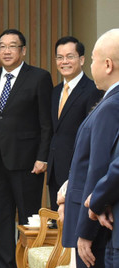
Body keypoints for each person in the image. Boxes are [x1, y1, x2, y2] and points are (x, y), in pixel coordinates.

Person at [0, 29, 53, 268]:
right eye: (2, 46)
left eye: (13, 46)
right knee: (1, 221)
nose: (7, 51)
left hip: (28, 162)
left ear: (23, 50)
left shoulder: (39, 78)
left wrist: (43, 156)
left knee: (28, 220)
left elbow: (47, 123)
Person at [65, 29, 119, 268]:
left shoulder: (112, 105)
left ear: (108, 64)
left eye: (96, 59)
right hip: (94, 221)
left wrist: (85, 232)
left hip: (95, 230)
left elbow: (99, 168)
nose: (94, 66)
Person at [47, 36, 101, 209]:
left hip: (77, 170)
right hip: (55, 169)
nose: (64, 62)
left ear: (82, 59)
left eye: (70, 56)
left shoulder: (93, 90)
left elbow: (92, 134)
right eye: (60, 57)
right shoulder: (55, 92)